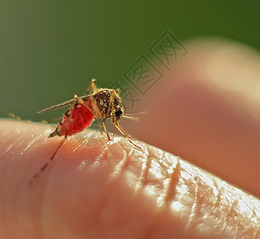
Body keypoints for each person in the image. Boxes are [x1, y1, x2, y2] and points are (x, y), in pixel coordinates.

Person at [0, 39, 259, 238]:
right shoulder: (106, 104)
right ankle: (50, 158)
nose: (116, 120)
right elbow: (97, 106)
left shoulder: (110, 104)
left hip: (86, 111)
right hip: (80, 112)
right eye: (117, 117)